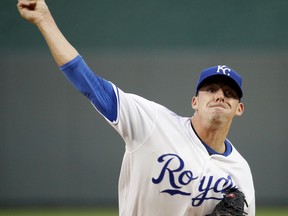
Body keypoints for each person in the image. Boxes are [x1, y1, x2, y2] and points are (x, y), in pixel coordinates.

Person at [17, 0, 255, 215]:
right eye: (211, 90)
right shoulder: (153, 123)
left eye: (229, 93)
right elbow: (90, 84)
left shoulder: (239, 171)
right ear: (194, 102)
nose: (220, 96)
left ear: (239, 108)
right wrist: (44, 20)